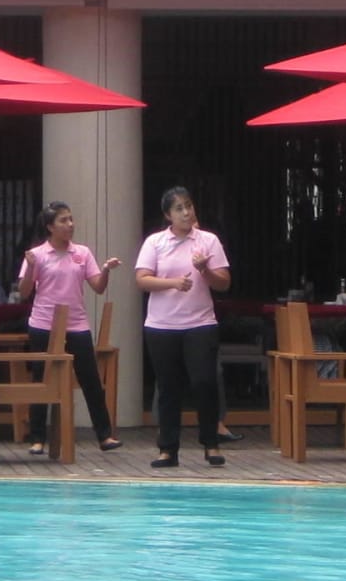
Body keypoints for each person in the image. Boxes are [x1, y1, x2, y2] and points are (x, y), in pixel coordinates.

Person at [15, 203, 123, 455]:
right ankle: (37, 438)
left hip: (76, 323)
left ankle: (105, 435)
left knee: (90, 378)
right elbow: (24, 292)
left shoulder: (82, 252)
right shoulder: (37, 254)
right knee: (41, 378)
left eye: (71, 219)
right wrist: (30, 267)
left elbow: (98, 287)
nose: (70, 225)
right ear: (50, 227)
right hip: (44, 323)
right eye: (63, 221)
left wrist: (106, 270)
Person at [135, 186, 231, 469]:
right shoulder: (155, 242)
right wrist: (173, 283)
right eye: (179, 208)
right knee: (168, 387)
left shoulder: (208, 240)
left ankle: (211, 443)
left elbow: (224, 283)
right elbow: (142, 280)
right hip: (161, 326)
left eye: (189, 206)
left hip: (200, 323)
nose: (186, 212)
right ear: (168, 215)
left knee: (204, 382)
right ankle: (168, 449)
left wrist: (204, 270)